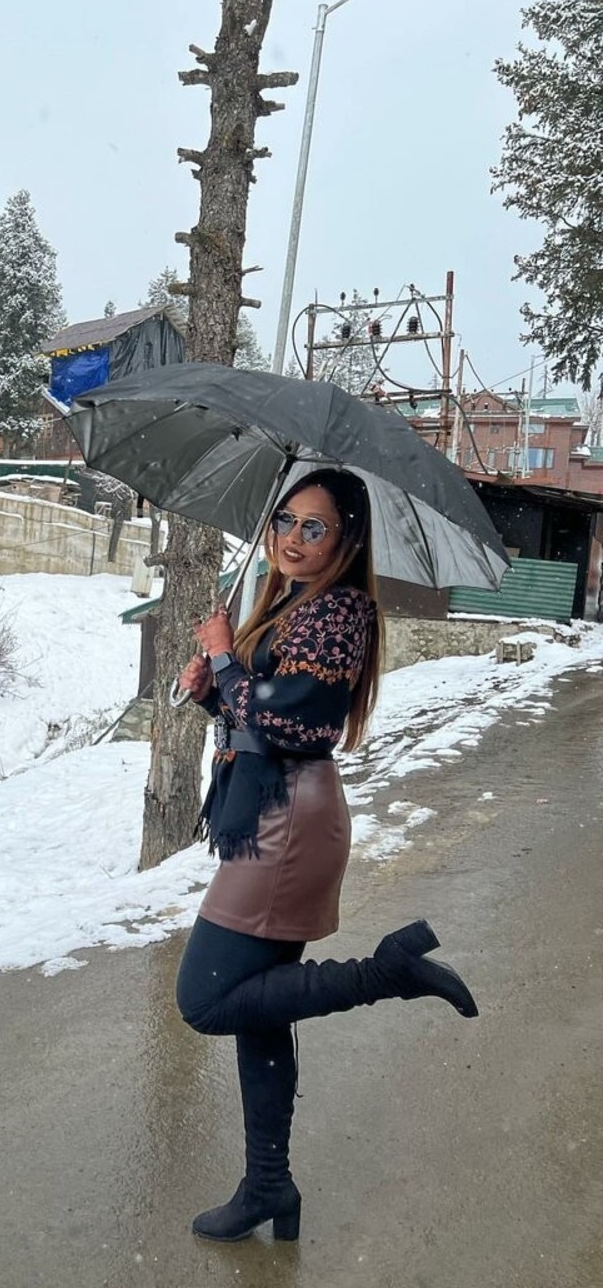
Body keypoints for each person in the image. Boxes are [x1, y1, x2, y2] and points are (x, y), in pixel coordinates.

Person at [173, 467, 478, 1244]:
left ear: (347, 538)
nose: (293, 539)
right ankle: (268, 1185)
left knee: (206, 999)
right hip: (269, 811)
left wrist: (229, 662)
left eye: (315, 527)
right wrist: (211, 688)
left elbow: (299, 724)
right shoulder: (288, 603)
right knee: (260, 1011)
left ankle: (387, 973)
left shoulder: (341, 611)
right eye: (286, 521)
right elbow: (254, 713)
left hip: (288, 825)